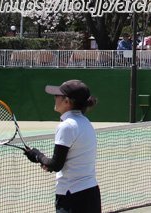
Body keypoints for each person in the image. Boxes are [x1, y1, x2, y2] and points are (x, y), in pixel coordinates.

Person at [24, 80, 101, 212]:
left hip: (72, 197)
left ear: (67, 101)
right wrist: (46, 163)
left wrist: (37, 155)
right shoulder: (86, 123)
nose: (54, 98)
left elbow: (56, 164)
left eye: (57, 96)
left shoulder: (66, 126)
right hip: (91, 194)